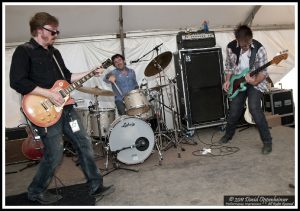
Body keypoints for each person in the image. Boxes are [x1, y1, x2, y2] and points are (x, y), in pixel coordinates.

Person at [9, 12, 114, 205]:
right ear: (40, 30)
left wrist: (91, 71)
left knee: (84, 143)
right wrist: (49, 94)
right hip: (44, 110)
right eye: (53, 31)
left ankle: (95, 185)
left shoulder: (54, 53)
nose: (56, 34)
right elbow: (17, 81)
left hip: (66, 108)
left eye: (57, 31)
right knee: (55, 153)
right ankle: (35, 191)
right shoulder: (23, 51)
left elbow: (66, 78)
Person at [219, 24, 273, 155]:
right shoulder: (231, 47)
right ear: (236, 39)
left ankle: (267, 142)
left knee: (254, 108)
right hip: (238, 82)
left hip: (255, 82)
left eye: (248, 44)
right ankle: (228, 135)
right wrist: (227, 81)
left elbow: (263, 72)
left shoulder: (259, 49)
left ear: (251, 39)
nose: (245, 47)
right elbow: (229, 67)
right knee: (234, 111)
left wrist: (254, 81)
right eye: (242, 45)